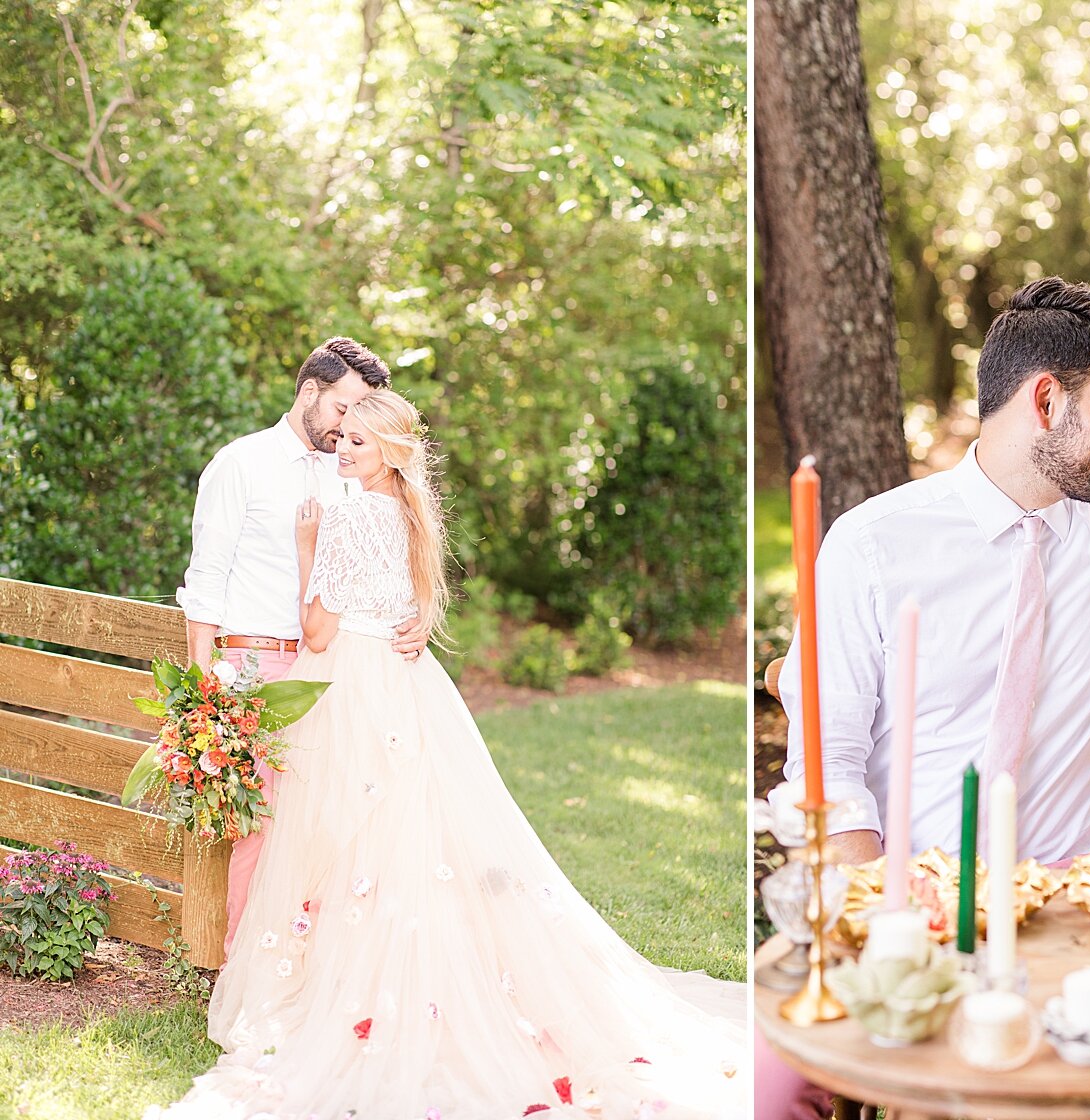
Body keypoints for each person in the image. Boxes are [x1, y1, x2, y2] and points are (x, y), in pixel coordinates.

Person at [160, 389, 746, 1119]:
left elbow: (315, 634)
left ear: (390, 453)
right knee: (405, 829)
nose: (342, 450)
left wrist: (308, 550)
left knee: (339, 833)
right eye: (341, 438)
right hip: (406, 686)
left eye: (359, 444)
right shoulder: (412, 516)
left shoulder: (344, 518)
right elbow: (411, 609)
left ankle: (344, 986)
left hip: (345, 684)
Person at [773, 276, 1090, 869]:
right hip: (908, 897)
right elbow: (829, 766)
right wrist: (882, 912)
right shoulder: (873, 544)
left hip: (1076, 902)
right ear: (1047, 401)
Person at [177, 337, 429, 954]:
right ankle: (242, 967)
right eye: (345, 409)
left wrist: (420, 615)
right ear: (311, 391)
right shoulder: (242, 465)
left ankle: (317, 968)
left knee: (333, 828)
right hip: (256, 665)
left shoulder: (356, 471)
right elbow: (205, 584)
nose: (353, 425)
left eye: (365, 413)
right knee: (264, 829)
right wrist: (203, 689)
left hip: (339, 669)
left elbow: (391, 559)